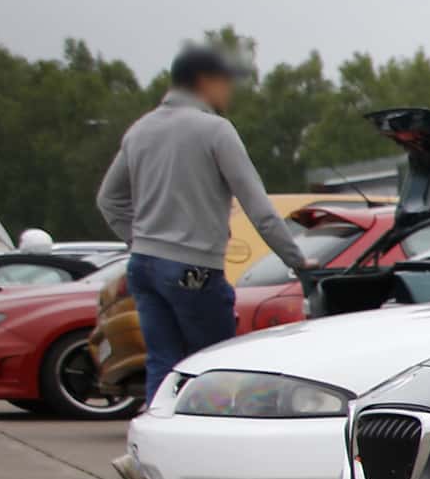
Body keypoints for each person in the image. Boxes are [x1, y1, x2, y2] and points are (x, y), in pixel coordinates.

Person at [96, 43, 314, 410]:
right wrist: (298, 260)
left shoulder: (140, 130)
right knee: (215, 367)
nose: (229, 91)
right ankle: (210, 436)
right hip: (193, 270)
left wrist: (141, 240)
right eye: (226, 82)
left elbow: (108, 200)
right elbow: (259, 208)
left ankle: (157, 436)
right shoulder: (215, 130)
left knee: (163, 364)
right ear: (205, 81)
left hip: (143, 266)